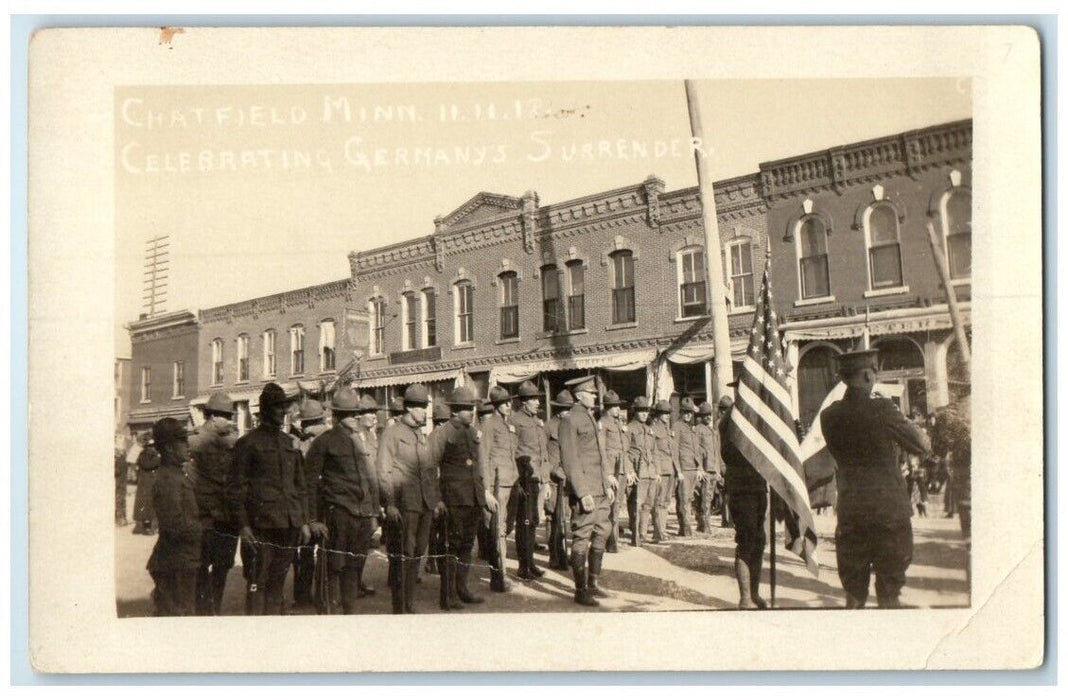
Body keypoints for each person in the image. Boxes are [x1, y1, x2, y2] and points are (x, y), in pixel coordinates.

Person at [820, 349, 931, 609]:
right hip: (888, 511)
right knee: (890, 591)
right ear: (869, 375)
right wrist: (893, 411)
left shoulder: (829, 416)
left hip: (851, 512)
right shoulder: (882, 409)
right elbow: (922, 444)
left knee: (854, 592)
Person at [226, 382, 311, 615]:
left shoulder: (289, 444)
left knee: (278, 581)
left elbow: (300, 486)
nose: (283, 412)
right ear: (264, 410)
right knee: (257, 582)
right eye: (277, 407)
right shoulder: (247, 444)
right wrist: (243, 525)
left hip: (288, 524)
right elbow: (236, 489)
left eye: (284, 407)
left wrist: (303, 521)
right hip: (260, 526)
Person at [304, 388, 377, 614]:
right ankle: (330, 614)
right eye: (349, 414)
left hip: (361, 516)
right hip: (338, 515)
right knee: (334, 568)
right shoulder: (324, 442)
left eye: (357, 413)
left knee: (354, 568)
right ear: (336, 416)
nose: (355, 417)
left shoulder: (360, 442)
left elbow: (368, 479)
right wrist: (312, 519)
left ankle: (349, 614)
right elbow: (308, 483)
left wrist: (373, 513)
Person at [377, 383, 445, 614]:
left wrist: (435, 501)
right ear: (408, 408)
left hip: (424, 504)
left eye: (425, 407)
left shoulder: (420, 435)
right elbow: (384, 471)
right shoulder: (392, 433)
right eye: (421, 407)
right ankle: (400, 607)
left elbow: (429, 472)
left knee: (417, 553)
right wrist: (389, 504)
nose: (425, 412)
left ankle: (408, 602)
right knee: (403, 555)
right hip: (404, 505)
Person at [558, 376, 618, 606]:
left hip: (600, 490)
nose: (595, 396)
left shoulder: (589, 418)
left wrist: (606, 483)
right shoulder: (570, 420)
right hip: (587, 492)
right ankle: (580, 589)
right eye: (591, 393)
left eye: (595, 393)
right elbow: (571, 460)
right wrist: (583, 493)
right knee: (582, 537)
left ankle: (593, 581)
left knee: (603, 531)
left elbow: (600, 456)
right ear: (579, 395)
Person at [427, 385, 488, 609]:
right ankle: (448, 594)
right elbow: (429, 467)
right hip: (452, 500)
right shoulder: (443, 433)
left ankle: (461, 588)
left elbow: (478, 466)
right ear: (454, 411)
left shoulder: (471, 432)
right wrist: (437, 499)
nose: (470, 411)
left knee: (466, 545)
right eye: (464, 408)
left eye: (471, 407)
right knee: (450, 546)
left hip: (472, 498)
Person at [189, 391, 239, 615]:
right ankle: (209, 609)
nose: (229, 420)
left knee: (212, 565)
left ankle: (208, 609)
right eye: (227, 416)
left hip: (215, 515)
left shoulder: (197, 439)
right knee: (212, 566)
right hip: (216, 515)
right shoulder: (231, 441)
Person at [146, 417, 201, 616]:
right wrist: (204, 531)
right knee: (178, 617)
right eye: (183, 441)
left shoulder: (176, 474)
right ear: (169, 448)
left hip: (181, 559)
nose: (188, 446)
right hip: (175, 562)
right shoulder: (169, 480)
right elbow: (174, 525)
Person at [719, 393, 769, 609]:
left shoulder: (755, 414)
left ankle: (755, 594)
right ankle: (745, 597)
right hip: (741, 487)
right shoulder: (732, 417)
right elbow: (731, 452)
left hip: (758, 485)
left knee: (759, 540)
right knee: (747, 540)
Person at [479, 385, 518, 592]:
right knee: (497, 531)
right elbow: (483, 458)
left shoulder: (506, 424)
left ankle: (501, 573)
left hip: (509, 481)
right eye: (505, 403)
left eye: (510, 402)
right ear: (496, 405)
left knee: (503, 529)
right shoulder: (489, 425)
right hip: (496, 485)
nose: (509, 406)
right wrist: (486, 490)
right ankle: (498, 577)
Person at [509, 380, 549, 579]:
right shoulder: (515, 421)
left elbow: (543, 452)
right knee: (524, 522)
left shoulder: (536, 421)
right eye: (533, 399)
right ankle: (522, 566)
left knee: (532, 521)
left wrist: (546, 480)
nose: (537, 402)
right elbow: (512, 452)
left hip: (537, 478)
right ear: (524, 402)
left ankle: (530, 562)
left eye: (537, 398)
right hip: (524, 478)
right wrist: (517, 481)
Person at [291, 398, 329, 609]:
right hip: (323, 499)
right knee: (322, 549)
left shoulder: (299, 442)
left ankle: (303, 594)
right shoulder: (328, 438)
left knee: (305, 551)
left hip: (306, 501)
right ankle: (322, 593)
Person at [599, 390, 632, 552]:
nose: (618, 409)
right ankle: (609, 542)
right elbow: (601, 450)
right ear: (607, 408)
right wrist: (608, 474)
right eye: (614, 406)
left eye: (618, 406)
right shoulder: (602, 423)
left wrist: (629, 470)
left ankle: (613, 541)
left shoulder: (617, 424)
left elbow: (624, 450)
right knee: (610, 508)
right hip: (612, 472)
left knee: (617, 507)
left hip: (622, 470)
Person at [544, 390, 574, 570]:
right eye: (565, 409)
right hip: (554, 480)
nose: (567, 412)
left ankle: (563, 552)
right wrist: (552, 472)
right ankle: (554, 555)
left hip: (568, 479)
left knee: (566, 516)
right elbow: (543, 455)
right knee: (552, 517)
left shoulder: (570, 426)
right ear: (558, 410)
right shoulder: (548, 427)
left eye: (569, 408)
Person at [424, 402, 453, 576]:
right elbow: (433, 468)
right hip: (438, 488)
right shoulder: (438, 438)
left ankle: (432, 560)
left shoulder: (431, 437)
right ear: (441, 423)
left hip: (435, 487)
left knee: (436, 527)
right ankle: (434, 560)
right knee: (438, 527)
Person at [648, 400, 679, 543]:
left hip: (671, 469)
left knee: (666, 501)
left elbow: (673, 451)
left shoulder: (667, 429)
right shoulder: (653, 429)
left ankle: (662, 529)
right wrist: (657, 471)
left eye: (668, 413)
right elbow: (652, 451)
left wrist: (677, 470)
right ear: (658, 414)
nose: (667, 416)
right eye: (664, 413)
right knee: (659, 501)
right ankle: (658, 532)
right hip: (661, 470)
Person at [674, 397, 702, 538]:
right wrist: (678, 471)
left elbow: (696, 450)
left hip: (693, 468)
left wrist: (699, 467)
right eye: (685, 412)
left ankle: (684, 527)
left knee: (689, 499)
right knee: (683, 500)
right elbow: (675, 450)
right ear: (681, 412)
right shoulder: (677, 427)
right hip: (684, 469)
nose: (688, 415)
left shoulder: (691, 428)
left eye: (690, 412)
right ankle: (685, 529)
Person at [626, 396, 652, 545]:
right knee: (636, 503)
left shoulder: (649, 430)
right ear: (635, 412)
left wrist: (656, 471)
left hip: (649, 470)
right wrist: (630, 471)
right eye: (641, 411)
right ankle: (635, 536)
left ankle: (643, 533)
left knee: (648, 503)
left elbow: (652, 451)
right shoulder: (629, 428)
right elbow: (625, 451)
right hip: (637, 470)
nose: (644, 414)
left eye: (646, 411)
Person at [694, 401, 723, 533]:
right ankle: (705, 525)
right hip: (705, 470)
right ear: (701, 416)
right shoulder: (698, 430)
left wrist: (718, 470)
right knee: (705, 498)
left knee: (710, 497)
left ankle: (703, 523)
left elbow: (716, 452)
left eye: (709, 414)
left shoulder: (712, 431)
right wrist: (699, 467)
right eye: (705, 415)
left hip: (712, 469)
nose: (708, 417)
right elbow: (697, 451)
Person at [132, 433, 160, 535]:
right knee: (151, 502)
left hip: (143, 481)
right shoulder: (152, 454)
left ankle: (139, 526)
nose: (152, 448)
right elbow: (148, 465)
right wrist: (159, 459)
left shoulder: (142, 453)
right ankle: (151, 526)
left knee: (141, 502)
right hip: (150, 481)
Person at [115, 446, 129, 526]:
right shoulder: (124, 460)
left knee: (119, 501)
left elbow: (117, 472)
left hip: (119, 483)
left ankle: (120, 519)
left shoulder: (119, 460)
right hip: (122, 483)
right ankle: (123, 519)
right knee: (122, 501)